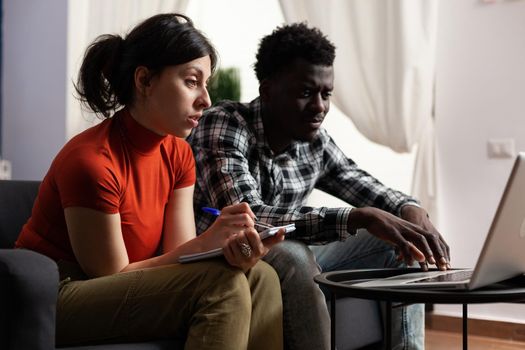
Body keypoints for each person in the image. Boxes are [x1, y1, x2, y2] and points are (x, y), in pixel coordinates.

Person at [15, 13, 284, 350]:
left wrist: (224, 247)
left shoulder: (178, 154)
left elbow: (177, 255)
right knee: (221, 286)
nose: (206, 99)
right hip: (57, 294)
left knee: (262, 277)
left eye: (206, 83)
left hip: (117, 284)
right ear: (144, 81)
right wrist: (205, 245)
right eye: (191, 81)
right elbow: (109, 275)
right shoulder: (91, 161)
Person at [188, 22, 451, 350]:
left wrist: (408, 208)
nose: (320, 107)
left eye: (326, 94)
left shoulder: (314, 143)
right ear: (267, 90)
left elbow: (359, 181)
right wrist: (356, 217)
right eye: (305, 93)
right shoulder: (225, 124)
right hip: (231, 257)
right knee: (293, 254)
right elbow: (248, 219)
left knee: (397, 239)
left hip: (290, 254)